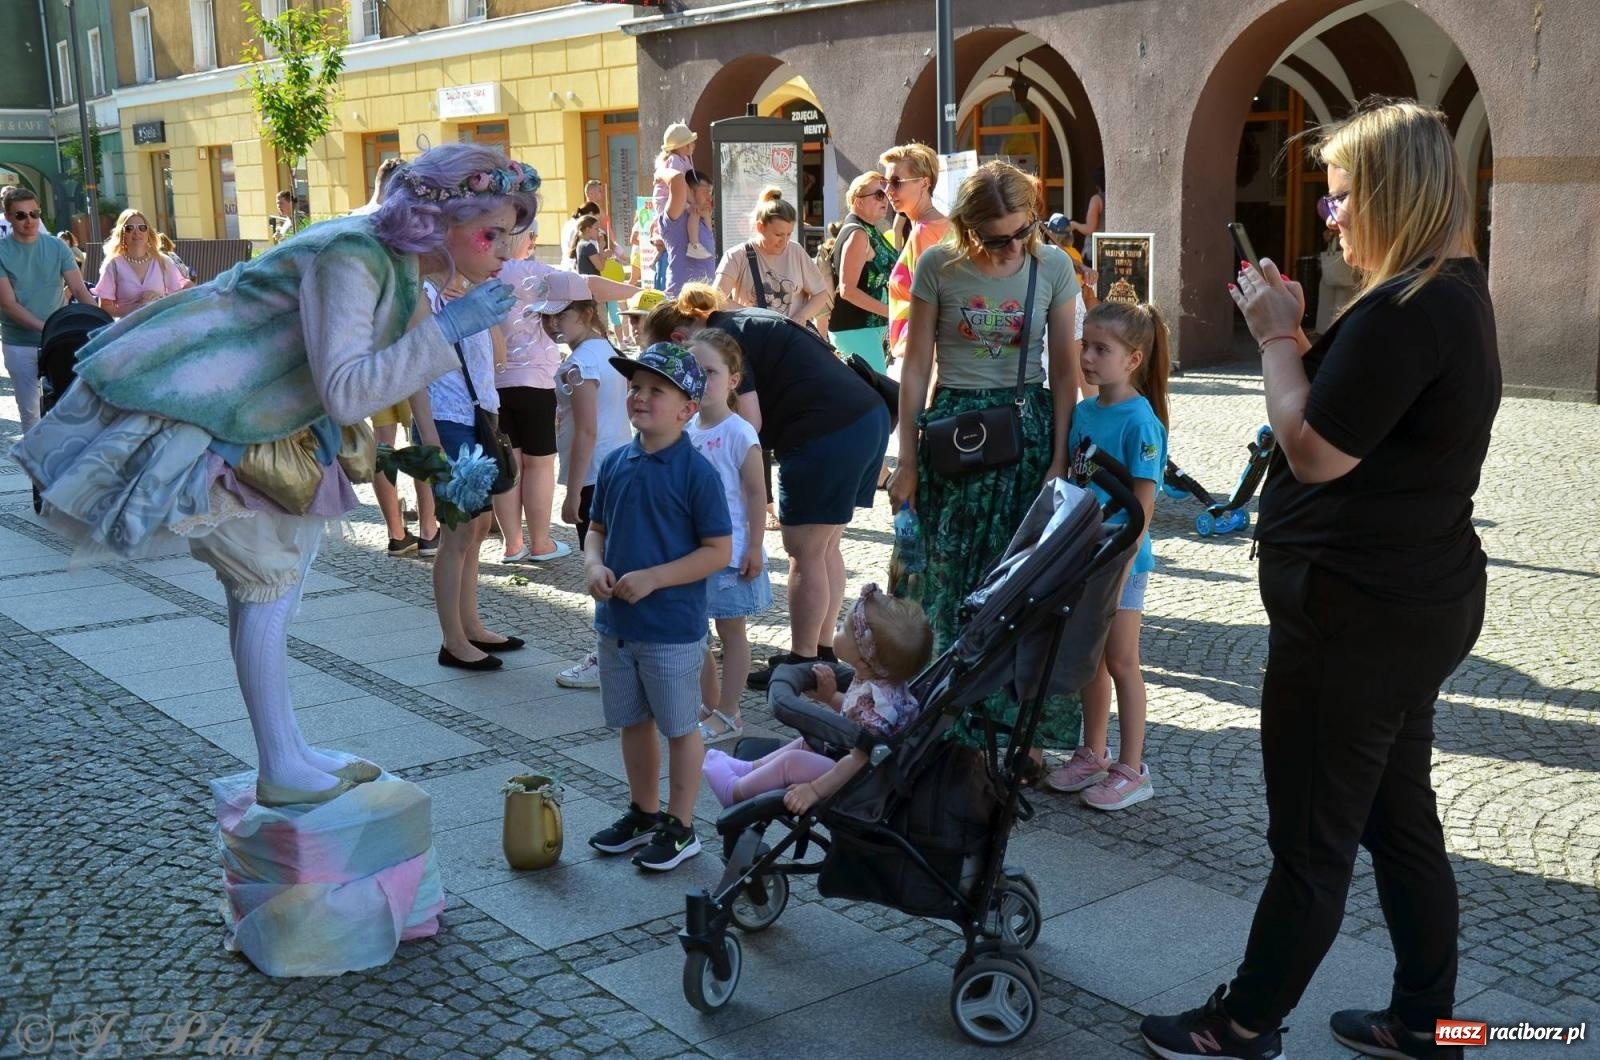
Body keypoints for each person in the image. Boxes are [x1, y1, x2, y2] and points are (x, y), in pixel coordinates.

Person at [1140, 100, 1500, 1060]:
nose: (1331, 216)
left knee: (1312, 837)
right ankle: (1428, 1022)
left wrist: (1270, 336)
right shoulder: (1448, 291)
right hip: (1409, 600)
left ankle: (1242, 1023)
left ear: (1391, 194)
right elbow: (1357, 420)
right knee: (1397, 818)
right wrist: (1299, 337)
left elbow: (1314, 450)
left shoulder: (1410, 308)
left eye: (1341, 197)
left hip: (1358, 616)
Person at [12, 144, 531, 805]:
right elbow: (347, 390)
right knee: (268, 586)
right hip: (225, 413)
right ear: (445, 219)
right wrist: (449, 328)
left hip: (263, 420)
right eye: (493, 233)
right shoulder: (355, 255)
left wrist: (443, 325)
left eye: (510, 235)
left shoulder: (389, 260)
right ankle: (281, 764)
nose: (506, 252)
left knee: (272, 588)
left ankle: (285, 754)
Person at [886, 160, 1083, 764]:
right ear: (967, 229)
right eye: (997, 239)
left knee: (1019, 586)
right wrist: (907, 458)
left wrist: (1059, 458)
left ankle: (1015, 729)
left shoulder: (1053, 266)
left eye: (1023, 232)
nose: (1013, 247)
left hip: (1024, 434)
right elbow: (916, 367)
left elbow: (1066, 371)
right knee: (944, 576)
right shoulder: (937, 265)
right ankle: (933, 714)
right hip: (954, 433)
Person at [640, 284, 890, 691]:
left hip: (825, 429)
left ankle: (803, 659)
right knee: (825, 547)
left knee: (804, 552)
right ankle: (821, 650)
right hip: (863, 417)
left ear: (680, 338)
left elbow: (749, 422)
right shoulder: (740, 320)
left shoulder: (721, 341)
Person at [583, 343, 731, 872]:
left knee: (680, 727)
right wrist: (593, 566)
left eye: (656, 390)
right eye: (636, 387)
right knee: (632, 722)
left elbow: (718, 551)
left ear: (687, 408)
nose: (641, 397)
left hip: (671, 629)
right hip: (617, 624)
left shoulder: (696, 473)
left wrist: (654, 578)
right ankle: (644, 812)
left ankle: (681, 825)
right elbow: (596, 530)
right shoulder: (615, 461)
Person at [1046, 301, 1170, 809]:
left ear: (1134, 359)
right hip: (1084, 555)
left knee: (1121, 660)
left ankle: (1133, 768)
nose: (1088, 357)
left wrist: (1121, 565)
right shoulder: (1083, 414)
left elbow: (1143, 506)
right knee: (1091, 657)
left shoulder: (1141, 422)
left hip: (1122, 561)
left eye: (1102, 349)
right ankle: (1093, 752)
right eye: (1086, 346)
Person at [408, 224, 528, 671]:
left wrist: (480, 309)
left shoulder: (471, 293)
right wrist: (429, 436)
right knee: (457, 532)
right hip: (446, 421)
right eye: (488, 240)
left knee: (477, 528)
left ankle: (471, 624)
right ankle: (453, 640)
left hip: (478, 418)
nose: (499, 253)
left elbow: (498, 357)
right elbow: (413, 370)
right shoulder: (424, 296)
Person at [702, 583, 931, 811]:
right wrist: (830, 697)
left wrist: (814, 790)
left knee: (792, 762)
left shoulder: (881, 706)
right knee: (808, 742)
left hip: (858, 781)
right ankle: (748, 770)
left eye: (844, 628)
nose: (837, 628)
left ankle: (734, 792)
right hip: (851, 758)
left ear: (864, 660)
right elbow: (855, 721)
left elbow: (857, 760)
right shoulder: (880, 681)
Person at [530, 273, 633, 689]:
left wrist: (572, 493)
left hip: (595, 478)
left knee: (601, 569)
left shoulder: (580, 364)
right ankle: (619, 651)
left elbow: (587, 431)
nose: (553, 324)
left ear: (588, 312)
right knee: (616, 564)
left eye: (561, 315)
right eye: (546, 317)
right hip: (616, 467)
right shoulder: (605, 351)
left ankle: (607, 656)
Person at [685, 328, 771, 743]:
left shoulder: (739, 432)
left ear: (733, 380)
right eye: (694, 371)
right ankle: (710, 704)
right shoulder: (686, 428)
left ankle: (730, 711)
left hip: (731, 553)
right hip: (691, 552)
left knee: (731, 632)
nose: (701, 380)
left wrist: (754, 545)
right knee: (695, 632)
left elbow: (756, 493)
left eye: (710, 372)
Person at [0, 185, 97, 435]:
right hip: (20, 342)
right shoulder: (2, 251)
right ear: (8, 217)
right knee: (30, 411)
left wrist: (101, 323)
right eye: (21, 215)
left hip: (58, 340)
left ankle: (65, 457)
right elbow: (8, 304)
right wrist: (48, 328)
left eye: (34, 213)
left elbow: (79, 289)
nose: (29, 220)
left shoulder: (57, 246)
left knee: (67, 404)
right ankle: (36, 461)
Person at [714, 188, 829, 326]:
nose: (784, 242)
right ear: (760, 227)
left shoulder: (796, 251)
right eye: (778, 235)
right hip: (753, 333)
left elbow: (821, 293)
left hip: (790, 334)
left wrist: (801, 316)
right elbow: (716, 299)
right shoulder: (736, 256)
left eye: (789, 234)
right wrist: (754, 316)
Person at [878, 143, 948, 366]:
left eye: (896, 182)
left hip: (919, 355)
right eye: (885, 182)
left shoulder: (923, 232)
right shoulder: (943, 226)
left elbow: (931, 303)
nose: (888, 190)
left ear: (924, 183)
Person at [830, 173, 897, 371]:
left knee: (874, 385)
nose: (885, 200)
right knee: (876, 387)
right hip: (856, 329)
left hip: (866, 329)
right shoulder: (858, 234)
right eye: (879, 195)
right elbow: (847, 290)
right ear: (858, 201)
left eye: (886, 194)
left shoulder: (868, 229)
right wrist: (890, 312)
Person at [92, 209, 191, 318]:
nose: (137, 232)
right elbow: (105, 307)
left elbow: (178, 298)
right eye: (130, 228)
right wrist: (137, 308)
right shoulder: (113, 265)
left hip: (159, 321)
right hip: (129, 325)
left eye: (142, 228)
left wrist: (159, 300)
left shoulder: (163, 261)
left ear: (148, 232)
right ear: (122, 234)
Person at [651, 122, 709, 287]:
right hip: (666, 200)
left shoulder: (683, 160)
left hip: (673, 200)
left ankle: (662, 255)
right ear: (683, 145)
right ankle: (694, 244)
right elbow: (681, 184)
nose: (694, 145)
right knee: (692, 214)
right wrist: (692, 203)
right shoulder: (675, 160)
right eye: (691, 142)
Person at [661, 168, 717, 295]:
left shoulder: (702, 219)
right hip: (681, 300)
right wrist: (659, 172)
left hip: (705, 300)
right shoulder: (678, 218)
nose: (709, 197)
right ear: (690, 192)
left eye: (710, 193)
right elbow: (677, 179)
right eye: (705, 192)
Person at [1068, 167, 1105, 263]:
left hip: (1094, 252)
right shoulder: (1113, 198)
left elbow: (1090, 229)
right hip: (1109, 252)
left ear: (1097, 185)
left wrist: (1074, 225)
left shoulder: (1097, 199)